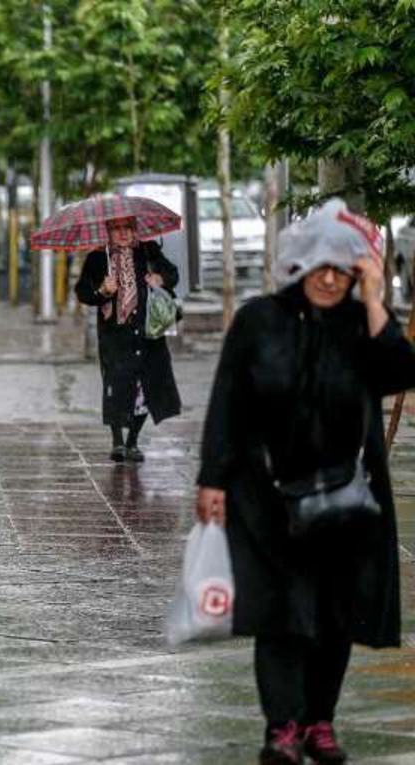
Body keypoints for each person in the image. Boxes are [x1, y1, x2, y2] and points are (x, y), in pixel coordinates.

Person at [195, 199, 415, 765]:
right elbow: (227, 403)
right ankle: (283, 729)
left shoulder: (360, 324)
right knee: (281, 616)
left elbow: (401, 372)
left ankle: (321, 722)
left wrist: (373, 298)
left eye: (341, 269)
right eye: (318, 266)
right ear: (297, 266)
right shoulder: (259, 320)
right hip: (268, 497)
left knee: (335, 616)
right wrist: (212, 479)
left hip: (347, 499)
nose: (327, 277)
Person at [74, 217, 181, 461]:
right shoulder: (97, 258)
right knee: (116, 386)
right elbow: (83, 292)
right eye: (117, 229)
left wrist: (160, 279)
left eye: (128, 228)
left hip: (148, 332)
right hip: (115, 335)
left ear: (135, 231)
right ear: (108, 233)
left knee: (146, 387)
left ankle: (133, 441)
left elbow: (173, 273)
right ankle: (117, 442)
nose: (123, 234)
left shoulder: (148, 250)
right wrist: (102, 291)